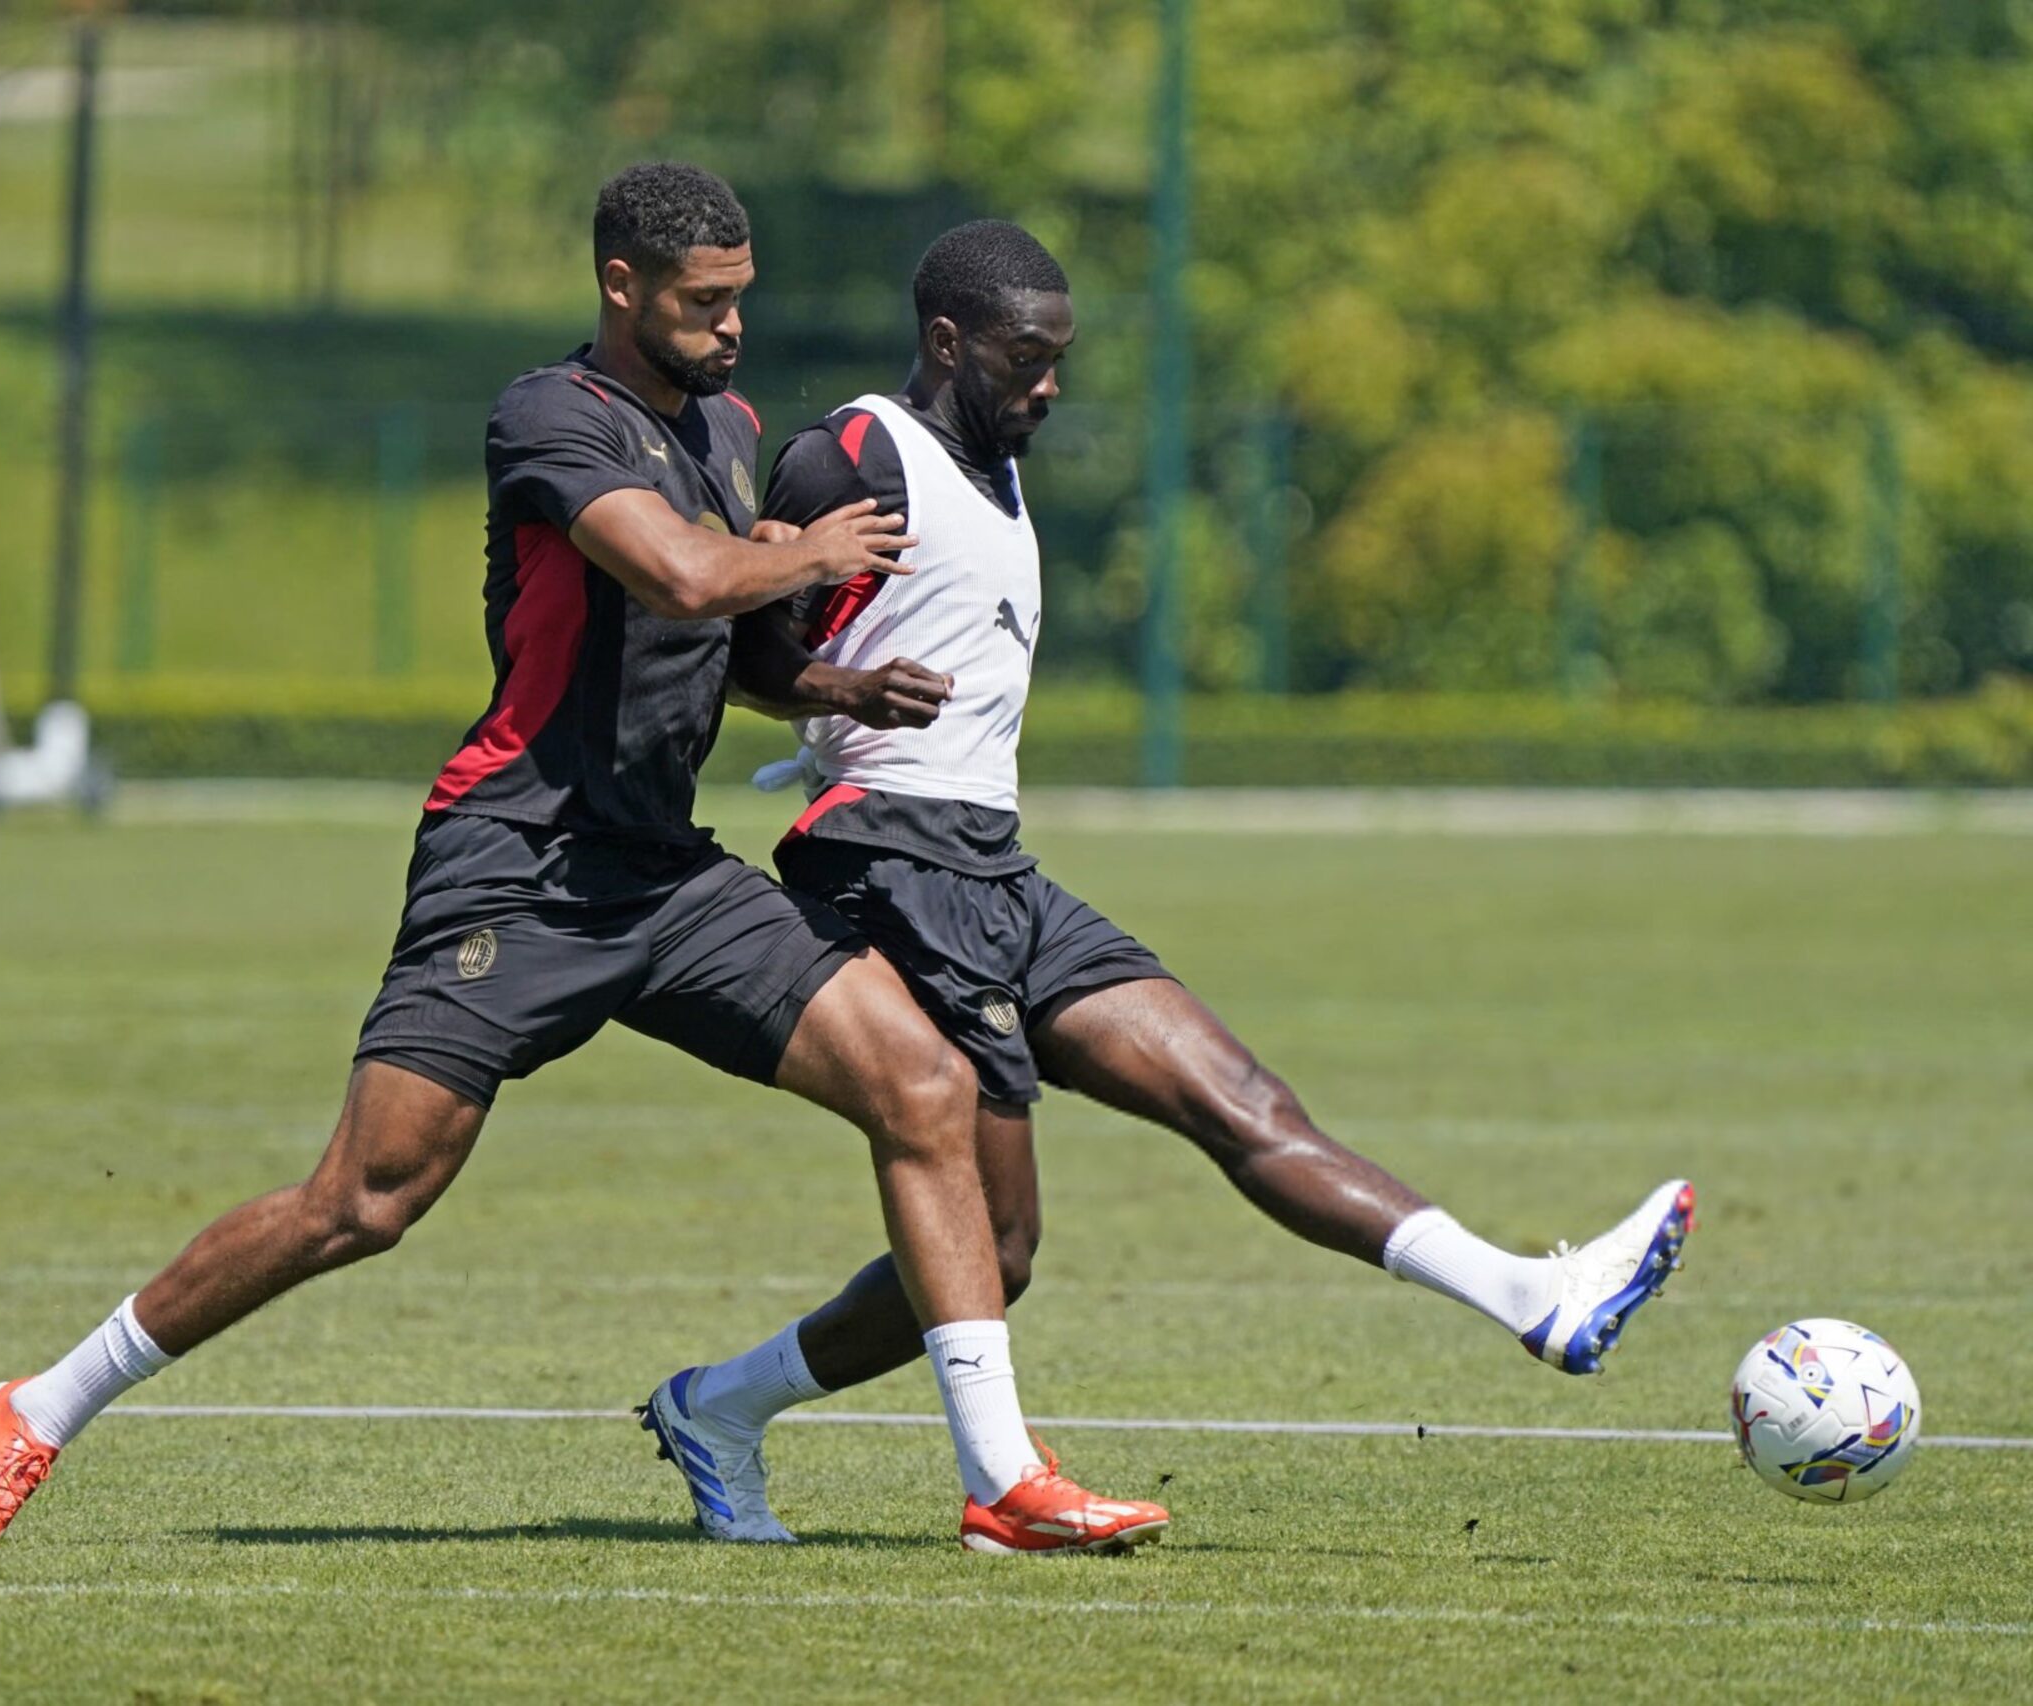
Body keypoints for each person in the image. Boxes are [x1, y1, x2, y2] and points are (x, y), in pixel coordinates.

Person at [0, 173, 1167, 1556]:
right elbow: (685, 581)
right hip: (517, 862)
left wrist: (828, 682)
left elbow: (716, 642)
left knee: (924, 1082)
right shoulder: (549, 417)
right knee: (365, 1198)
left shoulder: (732, 427)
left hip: (667, 877)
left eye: (742, 296)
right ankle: (35, 1405)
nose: (733, 327)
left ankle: (999, 1479)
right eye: (705, 302)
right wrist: (799, 554)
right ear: (622, 287)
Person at [638, 219, 1694, 1545]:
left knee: (1239, 1098)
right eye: (1027, 359)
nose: (1050, 386)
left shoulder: (1004, 478)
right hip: (886, 862)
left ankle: (1536, 1298)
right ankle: (929, 1465)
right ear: (949, 342)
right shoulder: (856, 450)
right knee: (995, 1247)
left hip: (995, 864)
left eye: (1062, 360)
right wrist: (844, 689)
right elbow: (736, 649)